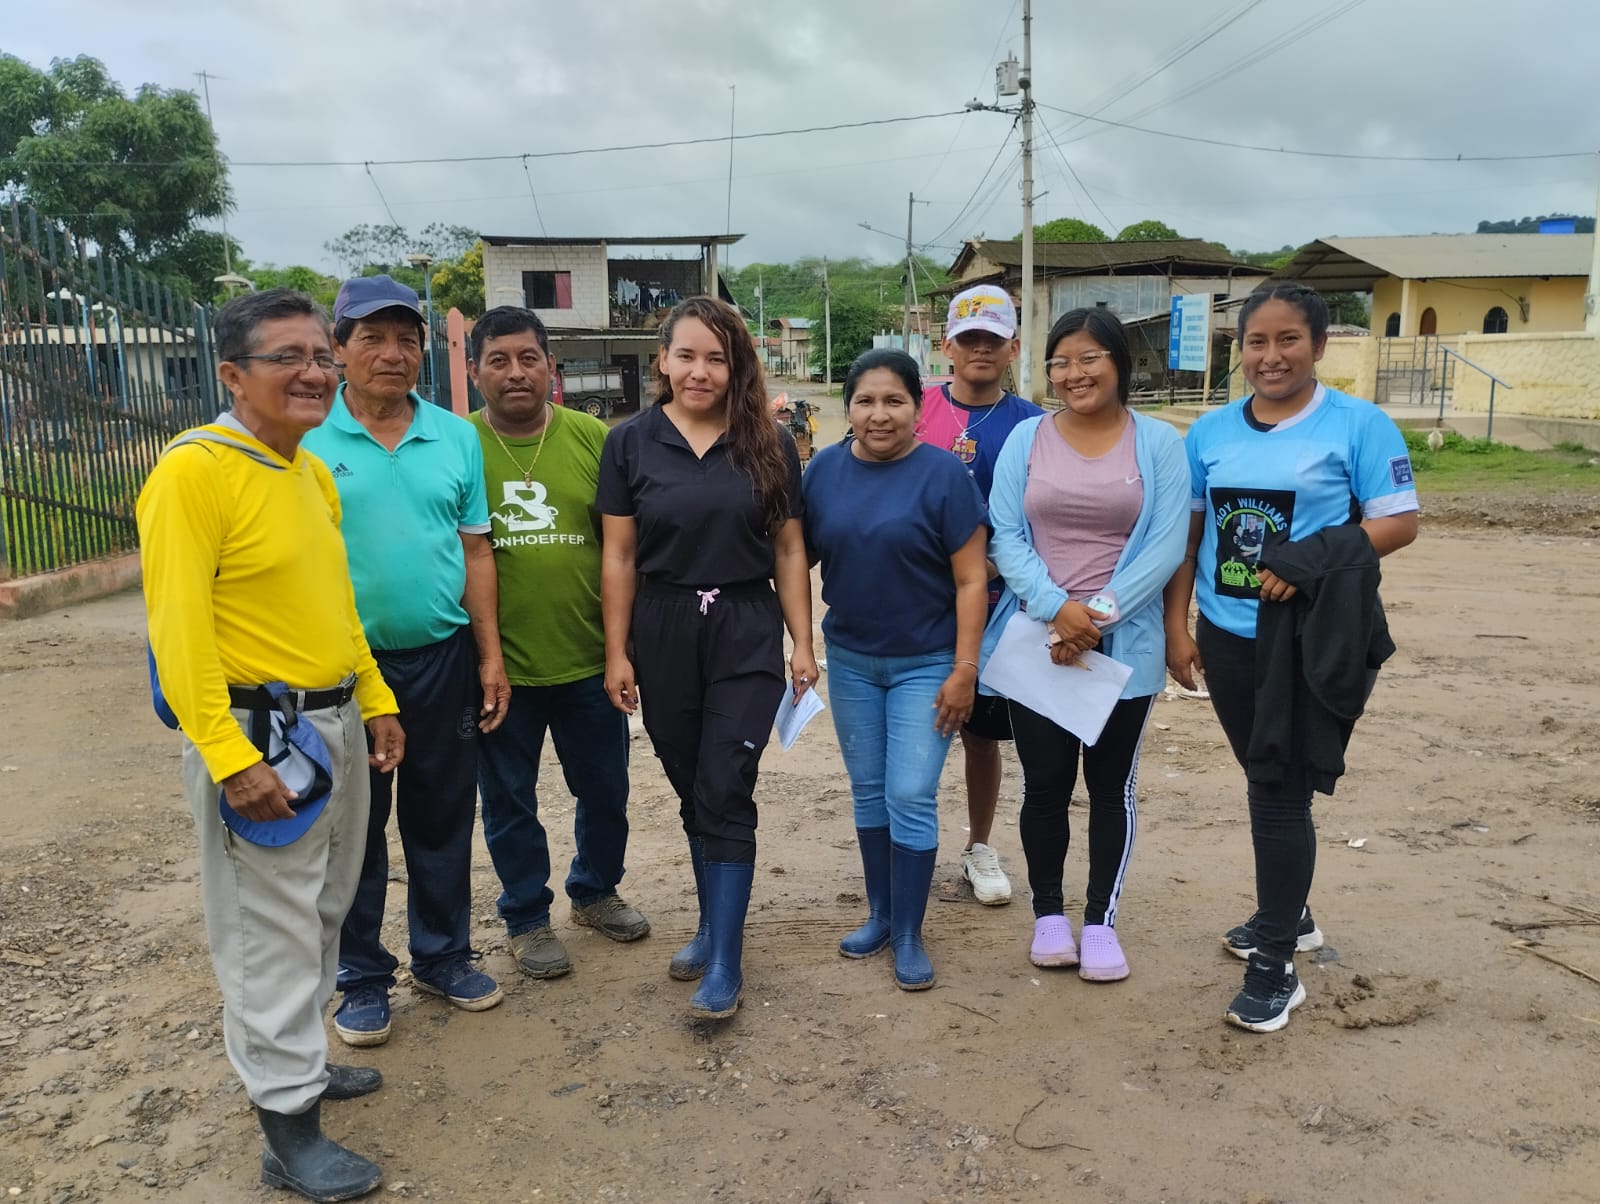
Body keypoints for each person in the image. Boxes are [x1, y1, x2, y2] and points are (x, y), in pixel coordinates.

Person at [138, 288, 404, 1201]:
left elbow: (336, 607)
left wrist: (375, 698)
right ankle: (288, 1129)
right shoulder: (194, 474)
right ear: (231, 374)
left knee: (323, 907)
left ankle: (301, 1064)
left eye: (320, 356)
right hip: (260, 735)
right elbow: (178, 637)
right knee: (267, 931)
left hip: (332, 722)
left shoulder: (308, 473)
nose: (313, 373)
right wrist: (229, 757)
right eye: (286, 357)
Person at [1163, 283, 1419, 1033]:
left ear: (1319, 346)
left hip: (1311, 637)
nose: (1271, 356)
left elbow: (1399, 522)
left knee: (1277, 787)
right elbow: (1189, 538)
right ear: (1239, 349)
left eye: (1288, 340)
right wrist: (1179, 626)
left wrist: (1311, 560)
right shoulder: (1209, 434)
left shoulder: (1359, 426)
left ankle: (1275, 961)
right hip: (1227, 635)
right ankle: (1292, 912)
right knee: (1265, 776)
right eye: (1256, 342)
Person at [303, 275, 511, 1047]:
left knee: (442, 814)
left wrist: (489, 657)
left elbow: (475, 550)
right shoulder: (306, 440)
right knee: (354, 829)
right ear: (339, 349)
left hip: (441, 659)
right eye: (372, 339)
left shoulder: (455, 437)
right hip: (342, 673)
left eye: (407, 340)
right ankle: (361, 979)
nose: (392, 354)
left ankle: (443, 956)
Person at [597, 295, 816, 1020]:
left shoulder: (769, 442)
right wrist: (617, 652)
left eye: (716, 358)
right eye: (686, 355)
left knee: (726, 782)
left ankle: (725, 962)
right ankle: (710, 924)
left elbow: (789, 549)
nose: (700, 371)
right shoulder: (629, 444)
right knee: (692, 785)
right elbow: (619, 554)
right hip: (662, 625)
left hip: (744, 624)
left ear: (736, 367)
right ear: (662, 359)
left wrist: (802, 643)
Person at [985, 308, 1189, 981]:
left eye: (1089, 358)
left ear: (1119, 363)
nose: (1074, 373)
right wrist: (1057, 611)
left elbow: (1166, 545)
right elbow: (1005, 535)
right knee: (1043, 785)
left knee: (1109, 789)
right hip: (1038, 643)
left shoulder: (1158, 443)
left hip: (1123, 647)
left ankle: (1100, 921)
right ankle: (1049, 915)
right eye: (1060, 362)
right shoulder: (1026, 439)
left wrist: (1092, 619)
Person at [466, 306, 649, 980]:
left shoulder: (595, 439)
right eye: (499, 360)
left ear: (551, 367)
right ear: (475, 371)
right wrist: (486, 659)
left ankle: (595, 891)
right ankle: (526, 916)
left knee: (605, 789)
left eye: (528, 358)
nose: (515, 373)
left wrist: (622, 650)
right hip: (499, 667)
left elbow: (623, 548)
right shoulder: (459, 446)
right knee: (508, 799)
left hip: (589, 659)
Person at [803, 349, 989, 990]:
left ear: (917, 407)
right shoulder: (823, 471)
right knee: (868, 790)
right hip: (852, 661)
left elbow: (971, 580)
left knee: (909, 792)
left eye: (894, 401)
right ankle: (881, 916)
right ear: (847, 408)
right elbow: (794, 557)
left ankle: (909, 931)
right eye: (865, 401)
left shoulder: (944, 475)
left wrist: (966, 667)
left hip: (928, 663)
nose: (879, 414)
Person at [915, 284, 1043, 906]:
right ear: (948, 345)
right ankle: (904, 847)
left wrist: (995, 569)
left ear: (1013, 347)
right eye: (969, 339)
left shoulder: (1035, 425)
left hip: (999, 603)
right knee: (913, 725)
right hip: (917, 598)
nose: (981, 350)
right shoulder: (913, 406)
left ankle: (979, 845)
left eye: (993, 339)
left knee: (981, 733)